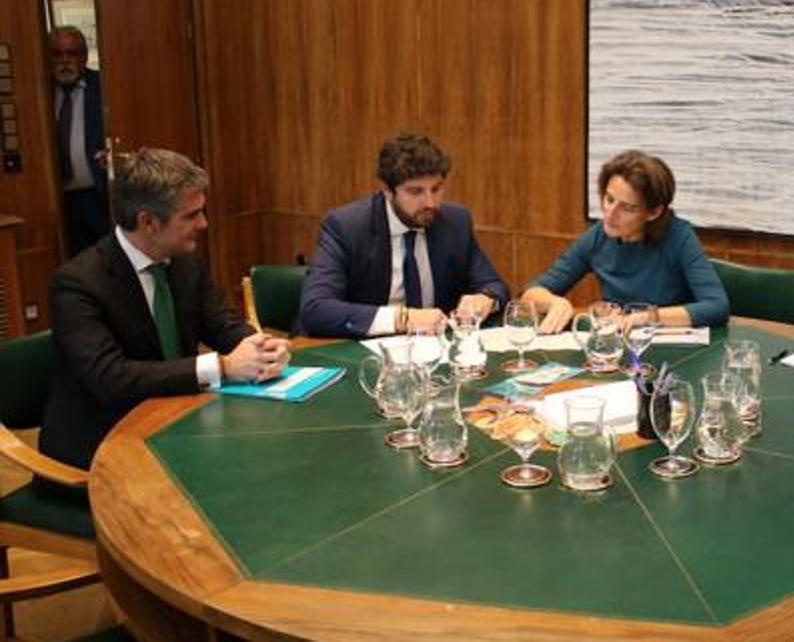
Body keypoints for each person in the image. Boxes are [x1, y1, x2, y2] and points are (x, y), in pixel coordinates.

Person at [41, 148, 290, 470]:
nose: (204, 223)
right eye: (191, 215)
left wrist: (260, 348)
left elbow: (219, 323)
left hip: (179, 423)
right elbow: (111, 378)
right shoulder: (77, 284)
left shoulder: (185, 263)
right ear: (148, 222)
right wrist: (223, 367)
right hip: (103, 447)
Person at [298, 133, 508, 337]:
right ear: (388, 191)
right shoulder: (347, 226)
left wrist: (485, 299)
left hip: (431, 350)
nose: (430, 203)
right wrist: (404, 319)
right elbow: (315, 309)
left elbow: (495, 286)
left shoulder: (455, 221)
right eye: (416, 192)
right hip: (360, 349)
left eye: (436, 189)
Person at [522, 149, 728, 332]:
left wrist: (647, 317)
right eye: (609, 199)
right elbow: (531, 293)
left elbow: (716, 306)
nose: (610, 214)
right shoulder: (598, 236)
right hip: (616, 344)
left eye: (627, 208)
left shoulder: (679, 236)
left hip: (673, 350)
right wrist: (554, 303)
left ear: (654, 212)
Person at [49, 26, 110, 255]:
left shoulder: (104, 85)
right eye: (57, 54)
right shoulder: (39, 91)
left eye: (72, 53)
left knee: (105, 259)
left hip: (97, 196)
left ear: (84, 56)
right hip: (58, 201)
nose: (65, 61)